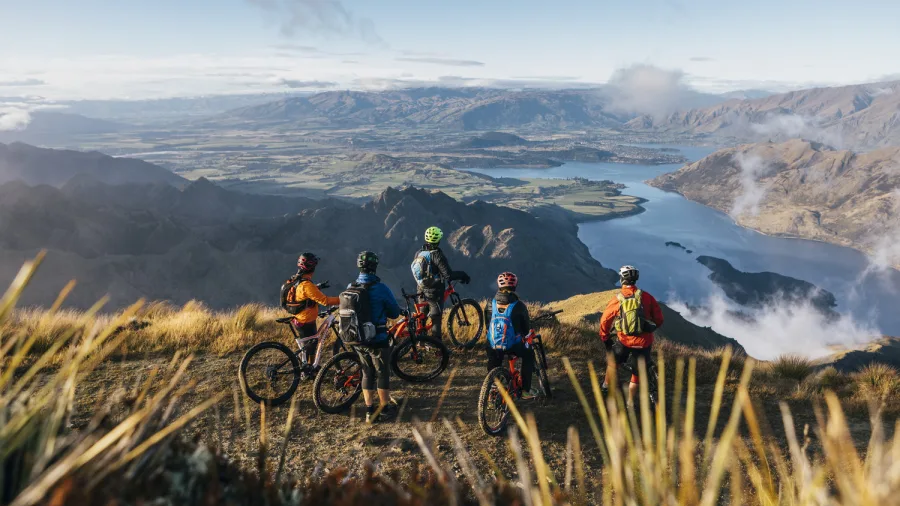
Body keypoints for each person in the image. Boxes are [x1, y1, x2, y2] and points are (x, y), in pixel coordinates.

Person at [599, 265, 664, 406]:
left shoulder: (618, 299)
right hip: (644, 343)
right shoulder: (647, 297)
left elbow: (605, 320)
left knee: (613, 363)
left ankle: (605, 387)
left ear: (622, 279)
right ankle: (630, 402)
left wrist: (605, 337)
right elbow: (659, 319)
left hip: (624, 341)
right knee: (636, 374)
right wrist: (648, 328)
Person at [351, 251, 403, 423]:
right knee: (382, 373)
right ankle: (384, 409)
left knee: (367, 373)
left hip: (358, 339)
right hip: (378, 338)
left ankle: (368, 411)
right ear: (374, 267)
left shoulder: (350, 287)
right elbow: (394, 312)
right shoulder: (381, 288)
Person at [483, 272, 540, 400]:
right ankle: (525, 390)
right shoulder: (519, 306)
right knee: (528, 355)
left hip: (493, 345)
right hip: (512, 345)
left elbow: (487, 326)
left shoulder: (489, 304)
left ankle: (492, 388)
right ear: (515, 287)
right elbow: (525, 331)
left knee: (494, 358)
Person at [411, 226, 470, 341]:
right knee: (436, 317)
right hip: (434, 291)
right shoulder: (437, 254)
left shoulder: (419, 252)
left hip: (421, 288)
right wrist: (463, 275)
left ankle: (420, 341)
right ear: (438, 240)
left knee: (422, 316)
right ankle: (438, 347)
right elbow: (448, 275)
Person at [286, 253, 340, 362]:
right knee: (311, 346)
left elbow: (304, 293)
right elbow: (325, 301)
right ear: (312, 268)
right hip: (306, 320)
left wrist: (318, 287)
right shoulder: (306, 285)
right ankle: (308, 369)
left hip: (300, 317)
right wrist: (343, 299)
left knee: (309, 346)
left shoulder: (296, 280)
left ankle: (308, 367)